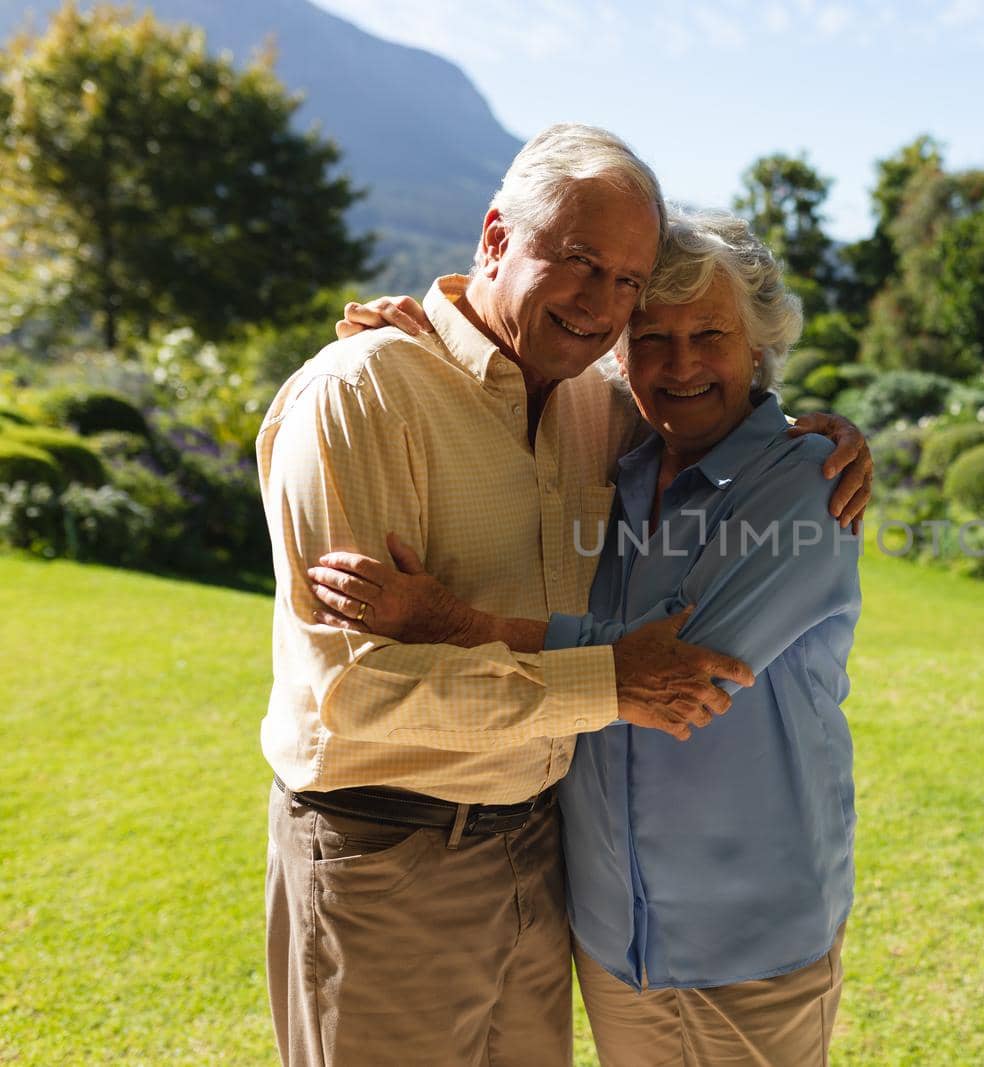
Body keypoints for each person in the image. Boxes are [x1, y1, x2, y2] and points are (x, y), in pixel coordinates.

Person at [258, 124, 871, 1067]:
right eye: (583, 264)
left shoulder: (637, 422)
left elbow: (682, 645)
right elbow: (353, 692)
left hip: (577, 874)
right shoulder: (370, 392)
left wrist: (812, 433)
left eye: (625, 282)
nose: (607, 310)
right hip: (401, 857)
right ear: (495, 237)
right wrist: (605, 682)